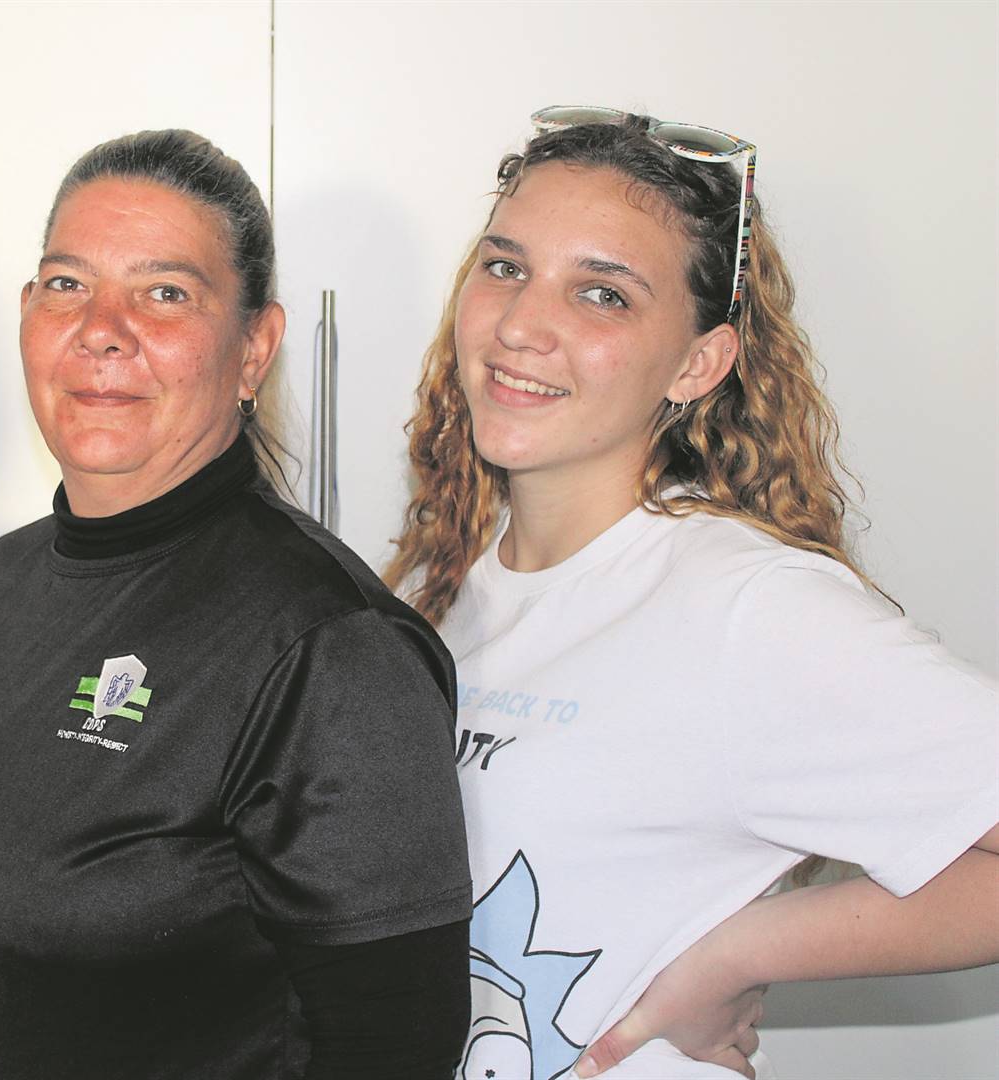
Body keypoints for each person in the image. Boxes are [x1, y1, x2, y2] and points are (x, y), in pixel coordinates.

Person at [385, 108, 999, 1080]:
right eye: (505, 267)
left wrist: (739, 953)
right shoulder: (440, 592)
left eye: (602, 294)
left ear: (698, 362)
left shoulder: (748, 609)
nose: (520, 325)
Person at [0, 130, 472, 1080]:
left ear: (254, 349)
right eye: (68, 284)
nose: (101, 328)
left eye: (165, 294)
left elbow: (393, 1051)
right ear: (27, 313)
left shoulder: (330, 648)